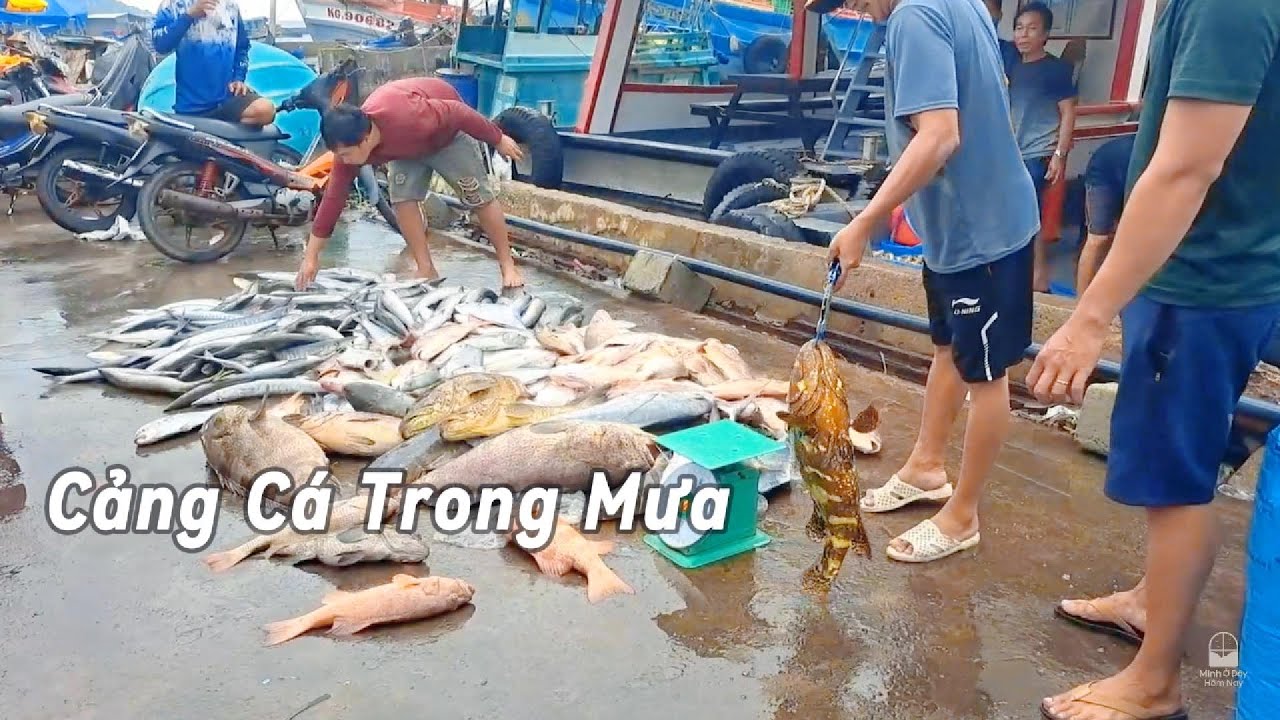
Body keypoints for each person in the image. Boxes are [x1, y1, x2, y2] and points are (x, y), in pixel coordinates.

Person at [1028, 0, 1280, 716]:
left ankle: (1154, 680)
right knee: (1185, 468)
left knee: (1175, 486)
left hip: (1200, 282)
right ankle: (1149, 601)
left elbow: (1187, 167)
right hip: (1224, 270)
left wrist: (1090, 316)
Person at [828, 0, 1040, 562]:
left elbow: (940, 135)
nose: (858, 12)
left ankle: (962, 516)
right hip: (953, 231)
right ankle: (925, 468)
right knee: (948, 349)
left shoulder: (912, 17)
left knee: (987, 375)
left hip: (983, 236)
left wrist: (866, 221)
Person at [294, 77, 527, 291]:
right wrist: (312, 257)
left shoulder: (410, 117)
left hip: (446, 136)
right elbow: (334, 198)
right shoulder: (349, 147)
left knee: (478, 197)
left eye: (345, 154)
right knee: (402, 200)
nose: (342, 160)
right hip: (404, 149)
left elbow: (458, 112)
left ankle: (507, 265)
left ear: (365, 139)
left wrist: (497, 138)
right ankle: (425, 267)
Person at [1007, 1, 1077, 292]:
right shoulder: (1010, 64)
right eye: (1019, 28)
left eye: (1032, 29)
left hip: (1036, 154)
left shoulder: (1056, 69)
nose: (1023, 35)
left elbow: (1069, 112)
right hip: (1009, 153)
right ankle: (1010, 272)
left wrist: (1060, 155)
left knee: (1029, 216)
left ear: (1045, 34)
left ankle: (1039, 277)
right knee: (1008, 213)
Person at [150, 0, 275, 127]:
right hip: (191, 107)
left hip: (227, 98)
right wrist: (188, 16)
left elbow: (242, 47)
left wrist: (239, 78)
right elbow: (160, 44)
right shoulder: (173, 4)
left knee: (266, 110)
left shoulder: (231, 6)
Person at [1076, 133, 1135, 293]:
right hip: (1106, 169)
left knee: (1111, 239)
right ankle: (1080, 305)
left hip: (1121, 165)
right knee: (1098, 239)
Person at [983, 0, 1019, 76]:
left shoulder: (1009, 51)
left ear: (1000, 15)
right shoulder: (964, 49)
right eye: (983, 14)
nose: (987, 18)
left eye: (991, 13)